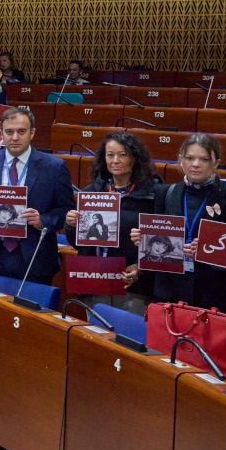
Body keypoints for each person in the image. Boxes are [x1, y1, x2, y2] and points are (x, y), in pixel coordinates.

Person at [138, 134, 226, 319]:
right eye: (190, 158)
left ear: (216, 162)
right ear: (181, 160)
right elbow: (157, 244)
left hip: (218, 298)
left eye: (204, 159)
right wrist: (144, 239)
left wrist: (208, 251)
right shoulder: (165, 192)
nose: (196, 164)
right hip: (171, 294)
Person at [0, 107, 74, 284]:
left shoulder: (54, 167)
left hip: (34, 257)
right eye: (9, 131)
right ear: (1, 133)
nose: (14, 137)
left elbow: (67, 210)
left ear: (32, 133)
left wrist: (43, 221)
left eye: (21, 131)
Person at [64, 131, 161, 315]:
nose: (115, 160)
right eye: (110, 155)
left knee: (129, 340)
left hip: (132, 284)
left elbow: (162, 243)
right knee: (97, 338)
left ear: (134, 158)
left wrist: (141, 268)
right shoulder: (91, 193)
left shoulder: (153, 195)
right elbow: (77, 243)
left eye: (122, 154)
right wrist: (71, 224)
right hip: (97, 279)